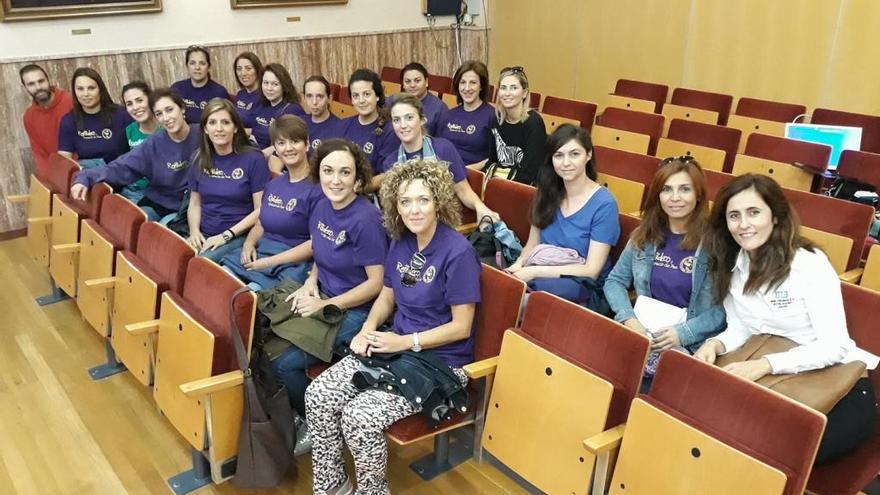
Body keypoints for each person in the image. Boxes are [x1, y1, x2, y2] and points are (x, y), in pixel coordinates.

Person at [304, 160, 480, 495]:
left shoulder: (458, 253)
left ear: (439, 201)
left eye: (423, 200)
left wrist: (402, 342)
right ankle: (330, 488)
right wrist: (367, 329)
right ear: (395, 206)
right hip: (395, 347)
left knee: (359, 418)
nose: (414, 210)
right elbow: (386, 296)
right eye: (405, 202)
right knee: (318, 395)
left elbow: (461, 328)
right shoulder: (402, 241)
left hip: (441, 362)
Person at [693, 174, 878, 464]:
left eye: (754, 213)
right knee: (709, 434)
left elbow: (835, 345)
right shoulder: (733, 264)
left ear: (776, 217)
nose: (743, 224)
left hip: (838, 385)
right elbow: (742, 325)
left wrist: (765, 364)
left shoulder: (808, 263)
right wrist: (715, 344)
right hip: (771, 376)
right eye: (734, 216)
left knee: (764, 455)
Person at [270, 138, 387, 430]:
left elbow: (377, 284)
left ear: (358, 179)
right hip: (323, 296)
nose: (335, 180)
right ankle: (295, 414)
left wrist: (324, 304)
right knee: (265, 341)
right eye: (328, 171)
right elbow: (321, 253)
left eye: (345, 173)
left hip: (356, 311)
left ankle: (317, 426)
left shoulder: (366, 219)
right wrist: (311, 281)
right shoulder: (321, 206)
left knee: (284, 364)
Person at [604, 156, 725, 388]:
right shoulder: (644, 236)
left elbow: (723, 311)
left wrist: (683, 333)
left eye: (685, 189)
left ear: (698, 195)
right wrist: (628, 318)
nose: (675, 198)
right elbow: (615, 281)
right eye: (667, 190)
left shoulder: (715, 245)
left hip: (685, 345)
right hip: (641, 334)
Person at [507, 124, 619, 312]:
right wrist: (517, 266)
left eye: (574, 154)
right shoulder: (546, 192)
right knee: (502, 288)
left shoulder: (605, 204)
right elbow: (532, 245)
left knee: (523, 302)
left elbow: (591, 270)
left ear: (588, 155)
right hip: (540, 271)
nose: (566, 163)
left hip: (581, 284)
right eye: (559, 155)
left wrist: (531, 272)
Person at [221, 115, 322, 290]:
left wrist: (269, 262)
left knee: (246, 294)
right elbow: (261, 224)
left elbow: (316, 245)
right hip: (262, 253)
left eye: (295, 141)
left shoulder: (318, 189)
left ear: (307, 144)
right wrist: (249, 244)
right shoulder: (274, 184)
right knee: (220, 279)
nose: (288, 148)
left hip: (291, 263)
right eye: (281, 143)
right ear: (275, 147)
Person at [70, 88, 201, 223]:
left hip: (188, 207)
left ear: (182, 109)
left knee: (160, 233)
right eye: (159, 114)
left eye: (169, 110)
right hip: (157, 202)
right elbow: (121, 167)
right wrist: (86, 177)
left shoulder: (203, 135)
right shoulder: (153, 143)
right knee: (127, 224)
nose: (166, 118)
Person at [380, 94, 497, 221]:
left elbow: (463, 190)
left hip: (442, 221)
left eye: (409, 117)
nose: (403, 125)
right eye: (396, 120)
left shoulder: (443, 148)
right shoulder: (390, 163)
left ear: (422, 120)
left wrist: (480, 207)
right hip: (409, 224)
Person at [186, 99, 270, 262]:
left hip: (237, 235)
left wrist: (226, 235)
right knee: (179, 258)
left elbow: (262, 209)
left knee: (200, 264)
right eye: (212, 123)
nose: (219, 129)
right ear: (205, 128)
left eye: (225, 122)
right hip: (204, 234)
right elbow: (195, 203)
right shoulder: (198, 158)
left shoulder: (253, 159)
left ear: (236, 127)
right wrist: (194, 231)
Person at [57, 67, 131, 168]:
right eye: (80, 89)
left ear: (100, 89)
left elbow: (139, 149)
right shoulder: (69, 121)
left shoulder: (122, 115)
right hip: (89, 178)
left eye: (91, 88)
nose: (86, 94)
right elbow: (64, 163)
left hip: (121, 174)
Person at [485, 66, 546, 185]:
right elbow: (492, 161)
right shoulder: (496, 120)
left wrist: (499, 186)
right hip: (500, 181)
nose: (507, 93)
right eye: (503, 88)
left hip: (524, 187)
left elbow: (529, 174)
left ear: (524, 93)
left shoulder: (534, 123)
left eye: (513, 88)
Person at [435, 60, 495, 166]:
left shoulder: (492, 116)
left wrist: (465, 172)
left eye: (473, 83)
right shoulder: (448, 115)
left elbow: (494, 158)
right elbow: (437, 149)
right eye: (463, 82)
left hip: (474, 175)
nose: (467, 88)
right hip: (443, 174)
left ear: (481, 86)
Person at [340, 68, 400, 174]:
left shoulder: (389, 130)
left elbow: (386, 174)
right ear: (352, 100)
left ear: (377, 96)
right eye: (356, 96)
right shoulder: (344, 124)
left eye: (367, 94)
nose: (361, 100)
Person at [20, 63, 73, 179]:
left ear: (48, 80)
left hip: (83, 169)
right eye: (31, 84)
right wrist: (50, 181)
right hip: (58, 176)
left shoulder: (71, 101)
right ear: (25, 88)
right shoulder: (29, 117)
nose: (38, 87)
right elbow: (39, 154)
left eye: (41, 81)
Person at [243, 63, 306, 159]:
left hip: (271, 158)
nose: (269, 88)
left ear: (284, 86)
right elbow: (251, 128)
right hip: (252, 150)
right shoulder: (259, 104)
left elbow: (287, 145)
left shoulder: (292, 110)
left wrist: (258, 157)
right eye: (265, 83)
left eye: (275, 84)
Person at [119, 81, 159, 203]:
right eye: (129, 104)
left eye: (139, 100)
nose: (135, 107)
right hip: (131, 189)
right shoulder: (128, 131)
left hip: (158, 192)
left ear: (150, 99)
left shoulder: (166, 127)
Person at [171, 45, 229, 125]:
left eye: (202, 63)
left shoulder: (219, 92)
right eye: (192, 63)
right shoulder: (176, 89)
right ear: (187, 66)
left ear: (208, 67)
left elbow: (225, 123)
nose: (197, 67)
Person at [389, 62, 446, 135]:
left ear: (426, 82)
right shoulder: (392, 101)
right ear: (403, 84)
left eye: (417, 80)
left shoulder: (439, 108)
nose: (412, 85)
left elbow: (442, 140)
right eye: (407, 81)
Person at [302, 75, 343, 151]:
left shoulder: (340, 128)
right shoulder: (299, 123)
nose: (314, 102)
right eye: (309, 96)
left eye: (320, 96)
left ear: (329, 99)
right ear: (304, 98)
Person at [232, 51, 264, 118]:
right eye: (239, 69)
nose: (243, 73)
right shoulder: (240, 94)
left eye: (248, 68)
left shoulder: (265, 96)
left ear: (257, 70)